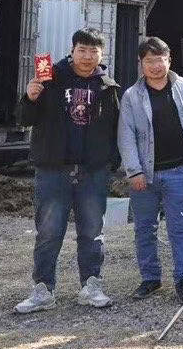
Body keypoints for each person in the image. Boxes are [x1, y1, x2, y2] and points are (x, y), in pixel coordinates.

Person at [14, 28, 122, 314]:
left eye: (93, 51)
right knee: (49, 231)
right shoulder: (50, 78)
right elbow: (25, 118)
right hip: (53, 168)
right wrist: (30, 97)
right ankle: (43, 289)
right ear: (72, 51)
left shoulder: (107, 86)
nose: (87, 57)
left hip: (93, 171)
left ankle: (91, 285)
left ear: (101, 54)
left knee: (92, 231)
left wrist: (111, 163)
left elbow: (116, 128)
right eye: (82, 50)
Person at [119, 37, 183, 303]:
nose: (155, 66)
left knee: (180, 228)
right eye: (149, 61)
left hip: (179, 172)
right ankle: (150, 279)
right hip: (144, 175)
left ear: (169, 60)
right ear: (141, 63)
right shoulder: (132, 96)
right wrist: (134, 171)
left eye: (160, 60)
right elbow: (126, 135)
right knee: (145, 229)